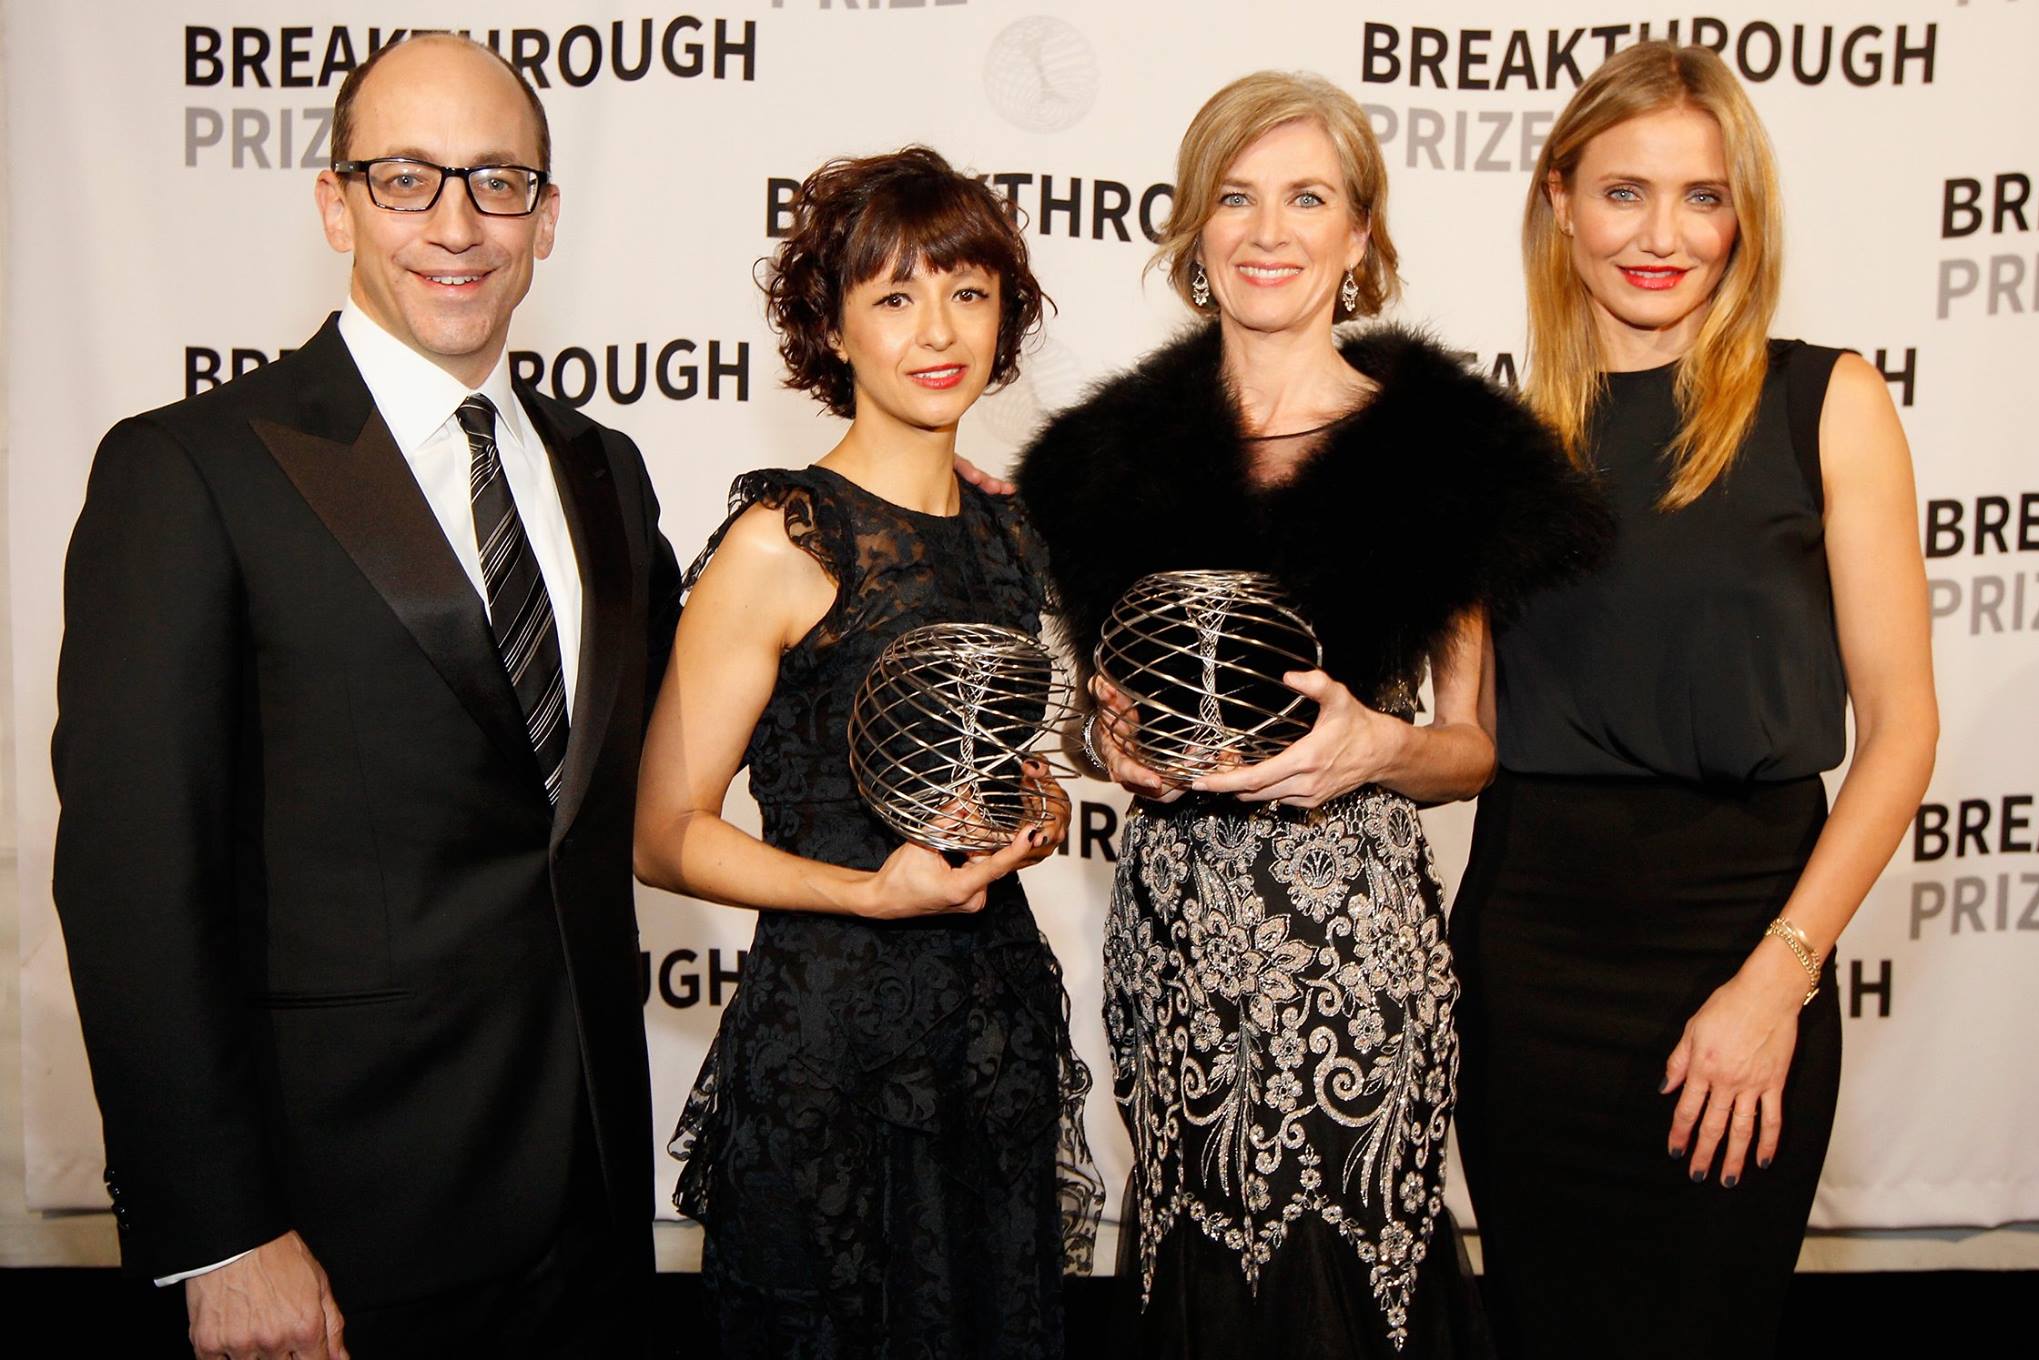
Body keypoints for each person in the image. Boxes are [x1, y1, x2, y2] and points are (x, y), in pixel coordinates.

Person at [52, 34, 682, 1358]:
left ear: (547, 215)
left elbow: (686, 743)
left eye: (497, 181)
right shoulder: (193, 472)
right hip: (338, 1239)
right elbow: (133, 883)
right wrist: (221, 1233)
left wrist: (919, 508)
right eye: (406, 178)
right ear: (335, 202)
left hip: (594, 1211)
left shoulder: (604, 474)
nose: (455, 224)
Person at [1015, 72, 1606, 1358]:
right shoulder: (1104, 461)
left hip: (1359, 963)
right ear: (1192, 230)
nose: (1266, 230)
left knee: (1355, 1291)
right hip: (1172, 951)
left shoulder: (1436, 450)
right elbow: (1087, 723)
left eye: (1305, 198)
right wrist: (1103, 744)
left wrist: (1373, 748)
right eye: (1234, 196)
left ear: (1358, 239)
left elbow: (1468, 749)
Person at [1449, 42, 1939, 1359]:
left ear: (1744, 218)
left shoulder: (1824, 403)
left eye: (1702, 197)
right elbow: (1457, 731)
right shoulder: (1497, 441)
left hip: (1743, 937)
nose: (1661, 235)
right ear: (1560, 201)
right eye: (1623, 193)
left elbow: (1902, 732)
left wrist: (1777, 978)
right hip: (1530, 961)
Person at [633, 146, 1101, 1358]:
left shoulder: (1009, 533)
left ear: (1006, 312)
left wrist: (1027, 807)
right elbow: (665, 832)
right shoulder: (781, 540)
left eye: (965, 289)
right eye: (893, 296)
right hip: (831, 1049)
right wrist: (870, 890)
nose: (935, 328)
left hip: (988, 1039)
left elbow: (965, 762)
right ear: (830, 331)